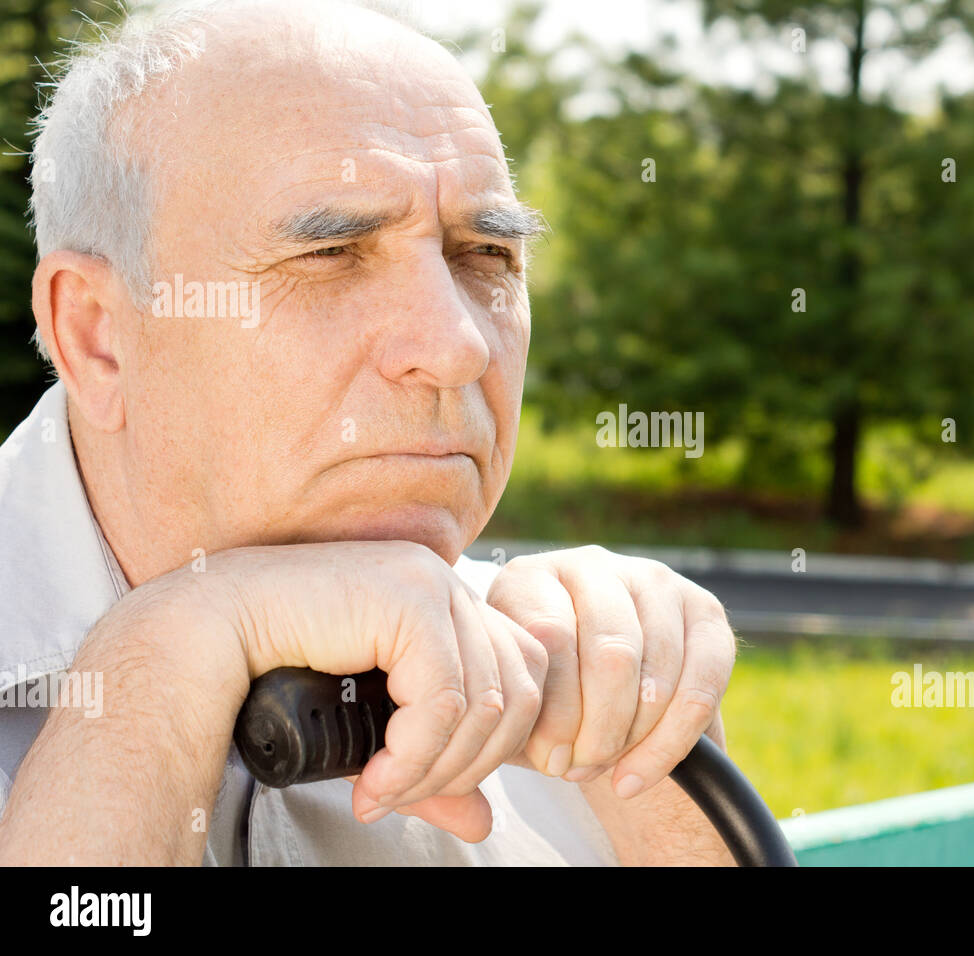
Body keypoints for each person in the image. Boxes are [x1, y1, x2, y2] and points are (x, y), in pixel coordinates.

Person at [0, 0, 735, 866]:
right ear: (98, 336)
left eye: (484, 256)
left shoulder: (568, 678)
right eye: (330, 254)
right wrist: (162, 663)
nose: (458, 346)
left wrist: (661, 787)